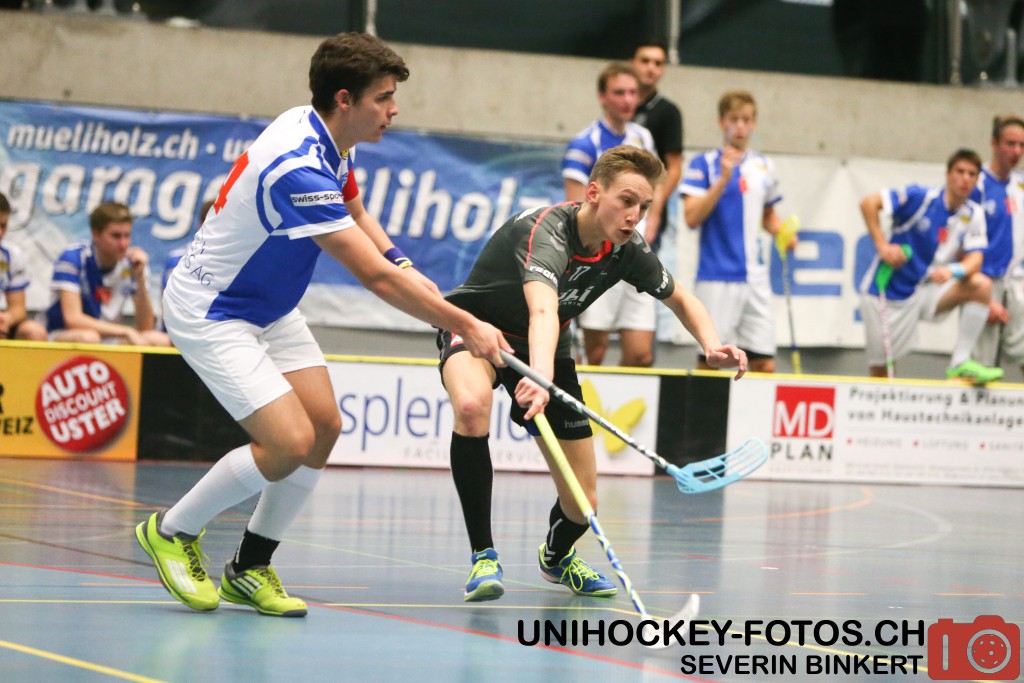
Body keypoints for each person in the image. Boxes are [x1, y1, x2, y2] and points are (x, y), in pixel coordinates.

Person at [136, 32, 509, 618]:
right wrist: (468, 325)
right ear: (345, 99)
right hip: (213, 310)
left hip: (271, 306)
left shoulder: (331, 138)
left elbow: (357, 213)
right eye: (384, 97)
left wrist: (402, 260)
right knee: (288, 442)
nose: (394, 109)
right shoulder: (298, 167)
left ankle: (249, 567)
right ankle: (171, 531)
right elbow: (374, 280)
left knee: (325, 426)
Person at [438, 145, 747, 602]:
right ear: (594, 193)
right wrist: (540, 379)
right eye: (627, 200)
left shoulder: (627, 249)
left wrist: (711, 344)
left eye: (644, 206)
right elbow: (542, 311)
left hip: (546, 349)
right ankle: (484, 556)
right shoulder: (547, 233)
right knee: (471, 405)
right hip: (476, 328)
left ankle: (557, 557)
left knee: (583, 502)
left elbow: (680, 298)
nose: (634, 216)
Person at [858, 148, 1003, 383]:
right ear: (947, 174)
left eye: (972, 174)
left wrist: (952, 270)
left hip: (927, 290)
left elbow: (975, 259)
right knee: (882, 372)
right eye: (960, 172)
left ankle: (959, 363)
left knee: (981, 285)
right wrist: (883, 247)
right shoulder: (920, 197)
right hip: (887, 290)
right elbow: (868, 203)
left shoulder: (973, 213)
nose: (965, 179)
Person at [680, 90, 795, 373]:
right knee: (712, 361)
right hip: (717, 275)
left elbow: (768, 215)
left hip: (755, 277)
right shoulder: (704, 164)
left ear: (754, 123)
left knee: (764, 362)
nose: (740, 126)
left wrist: (784, 234)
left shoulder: (764, 166)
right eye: (734, 119)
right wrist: (722, 180)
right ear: (722, 122)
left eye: (746, 119)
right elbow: (692, 217)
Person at [563, 62, 659, 367]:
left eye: (632, 92)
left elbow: (652, 190)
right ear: (603, 97)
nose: (627, 99)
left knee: (641, 354)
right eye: (619, 92)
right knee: (595, 352)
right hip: (600, 258)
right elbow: (575, 205)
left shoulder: (644, 138)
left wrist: (651, 223)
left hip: (634, 254)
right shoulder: (584, 143)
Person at [46, 201, 171, 347]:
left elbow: (145, 327)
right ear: (96, 235)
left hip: (108, 338)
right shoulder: (73, 258)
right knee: (89, 338)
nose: (123, 244)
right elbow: (73, 320)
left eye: (127, 236)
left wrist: (140, 279)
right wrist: (125, 331)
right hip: (62, 335)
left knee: (160, 340)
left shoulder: (133, 263)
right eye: (116, 236)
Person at [629, 41, 685, 344]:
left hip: (647, 215)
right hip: (615, 215)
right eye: (645, 60)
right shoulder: (621, 104)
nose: (651, 68)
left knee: (644, 286)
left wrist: (654, 209)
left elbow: (673, 168)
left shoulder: (667, 112)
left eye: (658, 63)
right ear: (632, 62)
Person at [970, 115, 1024, 374]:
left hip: (1017, 282)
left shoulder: (1020, 185)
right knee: (980, 367)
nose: (1017, 152)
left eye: (1022, 145)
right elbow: (961, 244)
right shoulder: (976, 184)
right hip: (985, 283)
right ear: (994, 144)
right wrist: (979, 293)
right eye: (1010, 144)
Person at [0, 193, 47, 341]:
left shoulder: (11, 255)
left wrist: (7, 319)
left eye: (3, 225)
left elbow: (19, 309)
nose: (0, 232)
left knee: (34, 332)